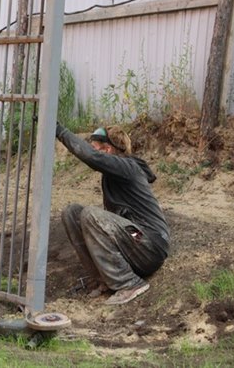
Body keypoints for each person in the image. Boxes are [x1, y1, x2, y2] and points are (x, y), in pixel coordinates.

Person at [55, 123, 170, 305]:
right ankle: (102, 280)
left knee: (91, 214)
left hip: (148, 243)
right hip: (132, 241)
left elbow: (90, 156)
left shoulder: (127, 167)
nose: (93, 151)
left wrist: (60, 131)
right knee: (72, 213)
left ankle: (129, 284)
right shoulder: (113, 173)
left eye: (96, 148)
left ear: (107, 150)